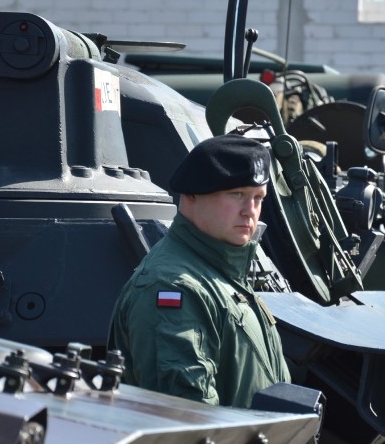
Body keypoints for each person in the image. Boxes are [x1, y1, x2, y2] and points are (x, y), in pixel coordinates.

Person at [109, 134, 291, 408]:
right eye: (237, 194)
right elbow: (189, 417)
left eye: (258, 197)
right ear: (192, 194)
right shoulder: (173, 286)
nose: (250, 211)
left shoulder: (223, 269)